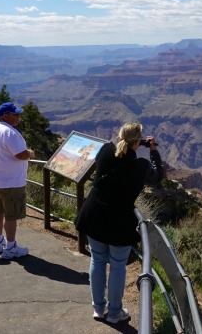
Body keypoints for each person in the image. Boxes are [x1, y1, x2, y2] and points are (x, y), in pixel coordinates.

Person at [74, 122, 164, 324]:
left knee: (97, 260)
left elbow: (118, 151)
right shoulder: (141, 167)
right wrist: (153, 152)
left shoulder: (106, 151)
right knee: (117, 266)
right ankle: (115, 313)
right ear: (137, 142)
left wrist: (133, 143)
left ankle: (98, 308)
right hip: (119, 222)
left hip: (94, 215)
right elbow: (157, 177)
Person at [0, 101, 34, 259]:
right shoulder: (10, 132)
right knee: (11, 215)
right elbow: (20, 154)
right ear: (5, 115)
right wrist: (31, 153)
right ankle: (11, 248)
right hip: (10, 180)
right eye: (15, 114)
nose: (18, 117)